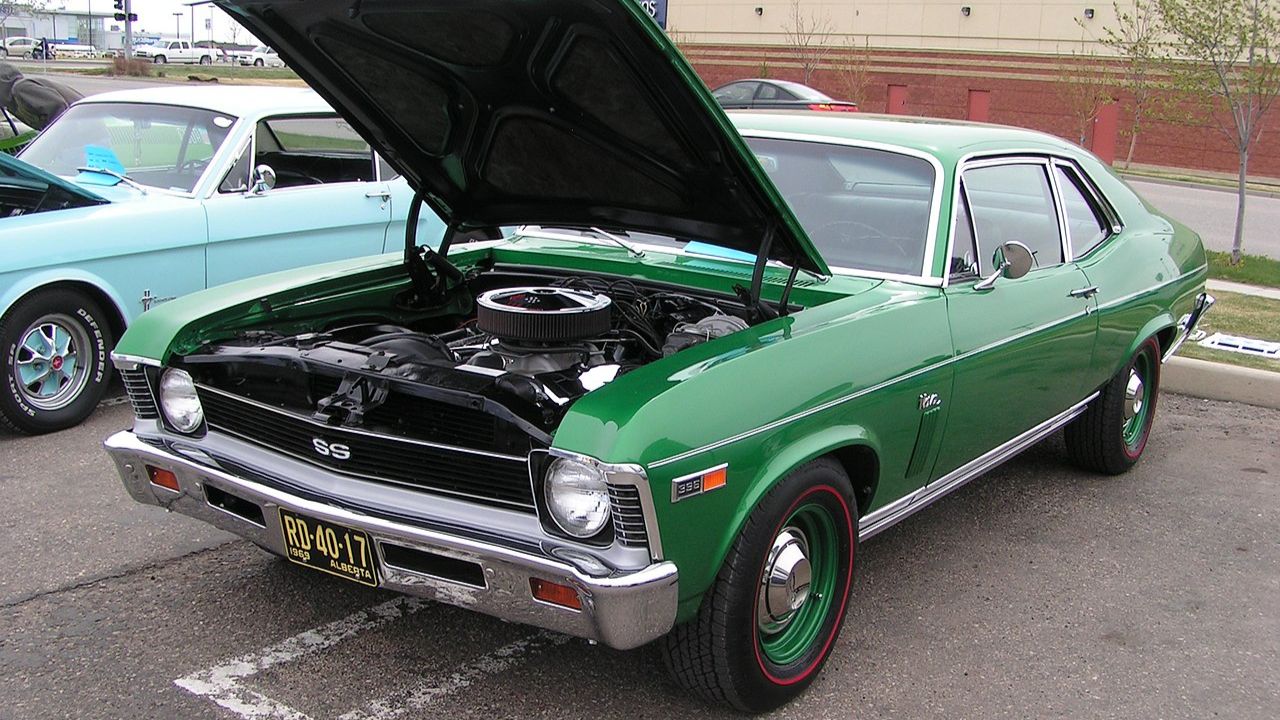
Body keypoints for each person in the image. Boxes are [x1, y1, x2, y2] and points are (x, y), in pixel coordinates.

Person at [0, 61, 83, 131]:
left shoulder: (21, 88)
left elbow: (58, 106)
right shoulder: (13, 101)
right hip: (81, 122)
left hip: (85, 120)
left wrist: (58, 135)